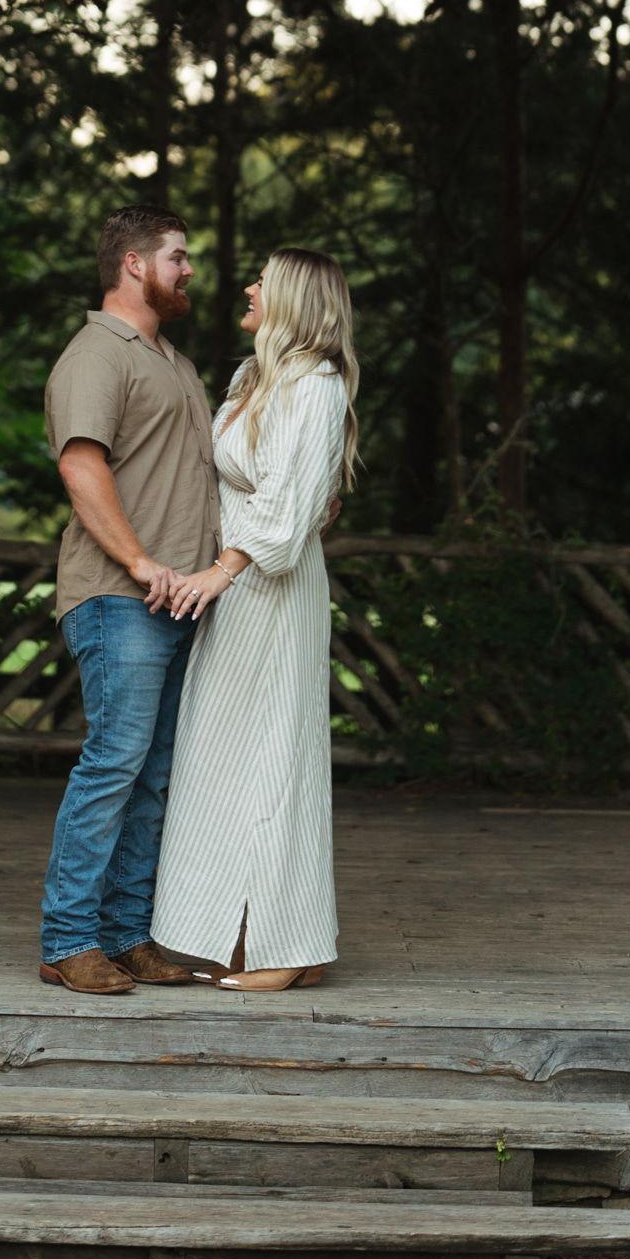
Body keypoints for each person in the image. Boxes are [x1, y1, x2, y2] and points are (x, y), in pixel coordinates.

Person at [150, 248, 361, 992]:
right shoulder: (253, 378)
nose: (247, 288)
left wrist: (222, 570)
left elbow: (289, 503)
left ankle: (286, 945)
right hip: (235, 589)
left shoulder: (316, 385)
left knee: (275, 759)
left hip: (267, 589)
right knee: (221, 760)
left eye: (262, 282)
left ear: (294, 300)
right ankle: (235, 933)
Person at [34, 205, 224, 995]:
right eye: (177, 255)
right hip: (119, 597)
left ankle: (125, 934)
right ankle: (69, 938)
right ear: (135, 264)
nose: (189, 269)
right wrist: (142, 562)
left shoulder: (174, 363)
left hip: (180, 603)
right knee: (114, 764)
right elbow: (81, 468)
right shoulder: (96, 354)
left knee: (152, 775)